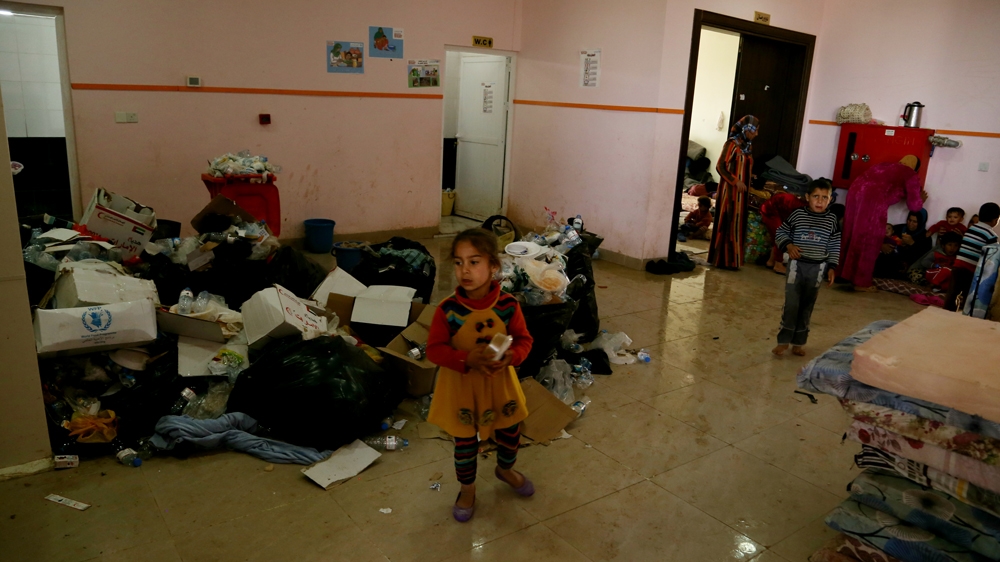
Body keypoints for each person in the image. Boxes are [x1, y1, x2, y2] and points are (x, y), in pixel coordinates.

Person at [425, 229, 535, 522]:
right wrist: (466, 358)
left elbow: (523, 340)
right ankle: (467, 488)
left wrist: (512, 356)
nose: (465, 270)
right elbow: (434, 350)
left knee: (510, 432)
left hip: (499, 385)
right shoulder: (448, 310)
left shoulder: (508, 305)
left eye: (474, 262)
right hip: (461, 388)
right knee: (464, 444)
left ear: (493, 266)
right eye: (458, 262)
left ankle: (505, 469)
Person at [839, 155, 928, 291]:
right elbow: (914, 206)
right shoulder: (910, 174)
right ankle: (861, 282)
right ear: (916, 168)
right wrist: (920, 199)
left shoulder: (883, 165)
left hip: (854, 192)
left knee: (850, 233)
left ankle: (842, 274)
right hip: (873, 201)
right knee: (870, 240)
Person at [772, 180, 840, 357]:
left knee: (807, 306)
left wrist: (832, 267)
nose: (820, 201)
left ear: (830, 199)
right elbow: (781, 232)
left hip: (817, 269)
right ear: (807, 197)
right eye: (816, 196)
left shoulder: (832, 219)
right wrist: (788, 245)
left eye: (824, 197)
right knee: (792, 304)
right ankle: (783, 341)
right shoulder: (798, 214)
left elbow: (834, 245)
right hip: (796, 266)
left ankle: (799, 343)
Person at [710, 115, 759, 270]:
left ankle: (733, 261)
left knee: (737, 224)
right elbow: (720, 166)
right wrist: (735, 181)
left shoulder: (747, 146)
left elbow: (743, 165)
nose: (756, 134)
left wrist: (749, 175)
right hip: (730, 193)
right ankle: (722, 260)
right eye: (755, 131)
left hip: (742, 194)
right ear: (747, 129)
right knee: (728, 222)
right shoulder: (731, 144)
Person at [944, 202, 1000, 311]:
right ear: (996, 220)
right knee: (968, 293)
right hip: (972, 270)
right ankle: (966, 312)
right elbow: (992, 256)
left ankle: (947, 310)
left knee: (953, 291)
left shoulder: (971, 229)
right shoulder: (991, 235)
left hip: (958, 265)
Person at [760, 190, 806, 274]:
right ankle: (778, 264)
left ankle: (771, 261)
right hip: (770, 211)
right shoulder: (802, 207)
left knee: (776, 236)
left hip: (774, 210)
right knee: (779, 236)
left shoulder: (800, 204)